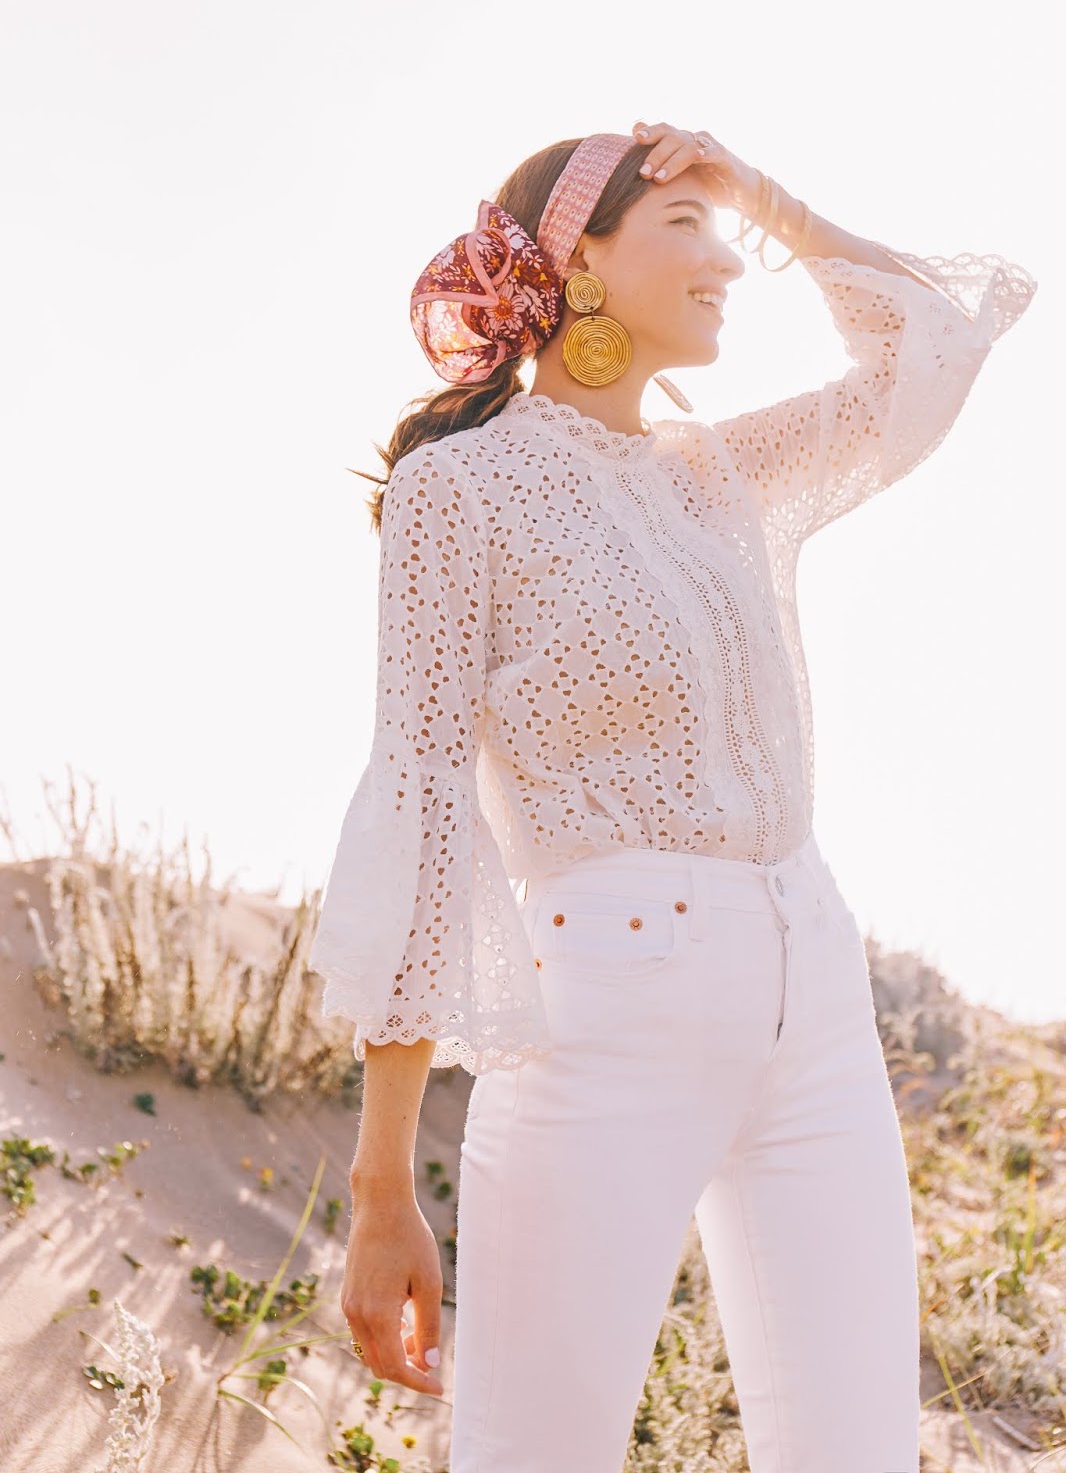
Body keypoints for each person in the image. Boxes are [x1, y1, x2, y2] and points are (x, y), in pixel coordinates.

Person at [309, 122, 1036, 1472]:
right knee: (537, 1452)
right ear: (578, 264)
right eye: (684, 230)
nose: (727, 265)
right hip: (606, 1007)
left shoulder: (722, 473)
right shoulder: (457, 489)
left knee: (854, 1450)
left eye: (720, 230)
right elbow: (416, 801)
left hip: (812, 990)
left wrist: (764, 195)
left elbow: (929, 344)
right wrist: (380, 1178)